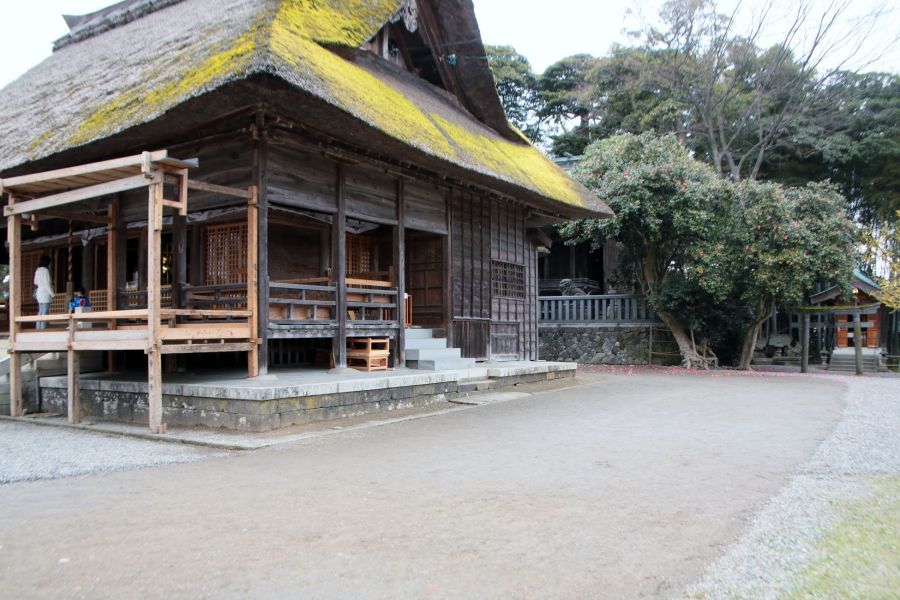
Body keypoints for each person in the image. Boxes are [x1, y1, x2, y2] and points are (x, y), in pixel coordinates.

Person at [33, 255, 55, 330]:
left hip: (39, 293)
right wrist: (53, 294)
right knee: (44, 312)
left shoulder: (37, 270)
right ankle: (42, 329)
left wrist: (40, 282)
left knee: (40, 311)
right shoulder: (45, 270)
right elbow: (47, 284)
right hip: (45, 294)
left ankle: (38, 328)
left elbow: (35, 282)